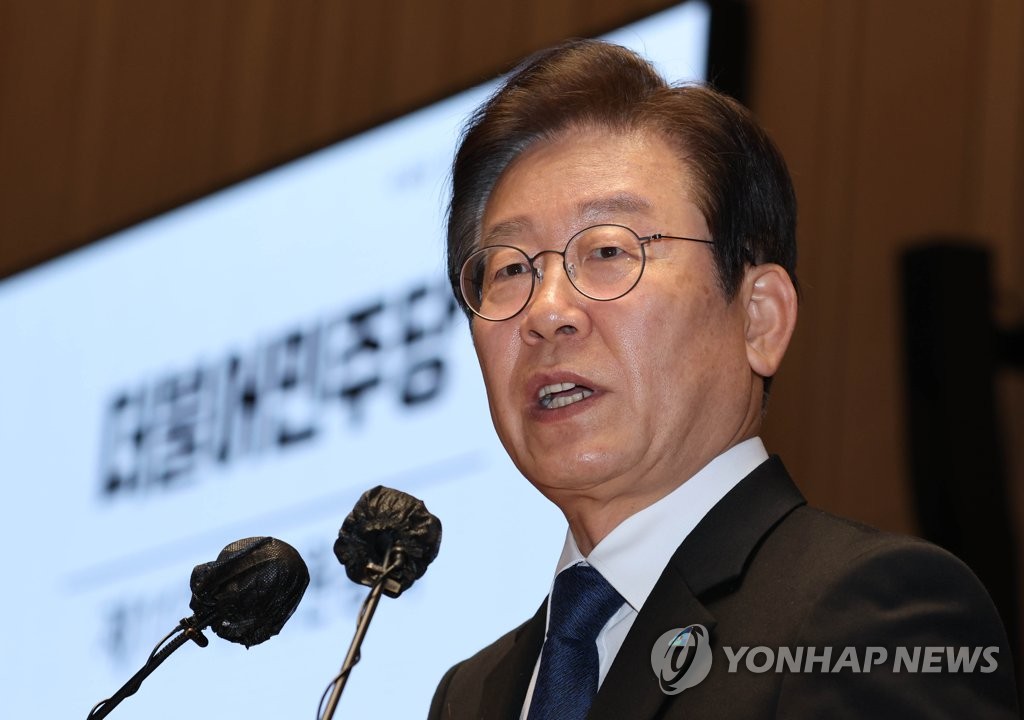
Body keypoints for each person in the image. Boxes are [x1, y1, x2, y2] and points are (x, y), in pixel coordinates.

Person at [428, 39, 1019, 719]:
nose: (547, 311)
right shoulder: (471, 695)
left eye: (610, 251)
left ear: (760, 319)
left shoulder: (866, 613)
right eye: (508, 269)